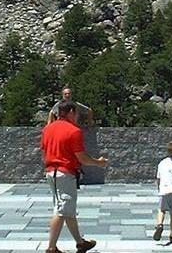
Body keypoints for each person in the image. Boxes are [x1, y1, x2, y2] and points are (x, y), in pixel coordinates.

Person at [40, 101, 108, 253]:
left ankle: (80, 242)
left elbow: (44, 152)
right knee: (62, 210)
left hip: (51, 172)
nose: (78, 117)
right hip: (64, 173)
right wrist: (99, 163)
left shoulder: (47, 129)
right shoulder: (74, 131)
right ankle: (51, 248)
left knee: (67, 209)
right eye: (76, 113)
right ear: (71, 112)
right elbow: (82, 158)